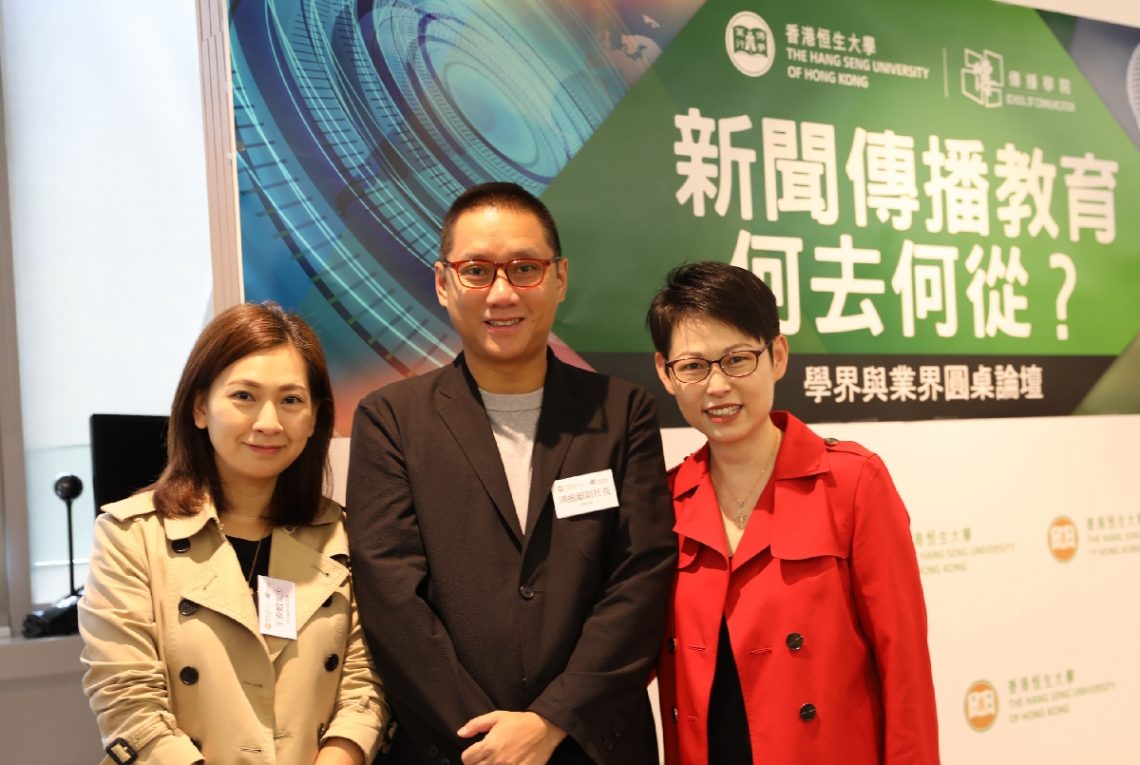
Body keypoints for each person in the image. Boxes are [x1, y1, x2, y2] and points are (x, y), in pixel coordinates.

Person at [346, 182, 675, 765]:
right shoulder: (392, 420)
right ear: (443, 283)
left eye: (525, 268)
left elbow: (640, 579)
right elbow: (392, 599)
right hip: (454, 751)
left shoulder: (623, 412)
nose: (502, 293)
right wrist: (484, 741)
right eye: (477, 270)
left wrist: (551, 721)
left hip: (594, 743)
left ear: (560, 277)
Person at [646, 262, 939, 764]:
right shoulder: (663, 499)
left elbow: (904, 666)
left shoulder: (852, 481)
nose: (717, 386)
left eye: (737, 359)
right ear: (666, 374)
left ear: (777, 355)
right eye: (694, 366)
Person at [79, 302, 392, 765]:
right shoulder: (130, 535)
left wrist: (340, 756)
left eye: (291, 400)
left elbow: (367, 680)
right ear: (201, 407)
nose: (268, 423)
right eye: (244, 396)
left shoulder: (344, 534)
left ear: (312, 420)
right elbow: (127, 699)